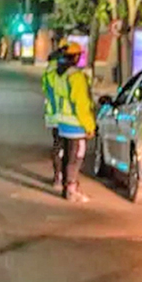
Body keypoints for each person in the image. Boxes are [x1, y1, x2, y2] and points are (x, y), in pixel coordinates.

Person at [54, 42, 95, 203]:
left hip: (63, 123)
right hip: (76, 125)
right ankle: (72, 189)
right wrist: (89, 126)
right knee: (76, 157)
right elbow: (81, 105)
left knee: (67, 157)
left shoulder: (60, 75)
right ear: (76, 57)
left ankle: (66, 188)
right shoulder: (76, 76)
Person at [42, 44, 65, 189]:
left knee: (57, 144)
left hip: (52, 114)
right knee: (66, 147)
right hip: (65, 114)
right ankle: (63, 178)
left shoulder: (48, 72)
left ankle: (57, 176)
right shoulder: (61, 72)